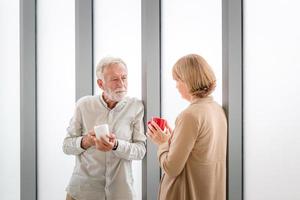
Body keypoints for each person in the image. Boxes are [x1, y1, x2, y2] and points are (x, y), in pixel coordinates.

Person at [63, 56, 146, 200]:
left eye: (124, 78)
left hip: (120, 194)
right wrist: (86, 141)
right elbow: (66, 146)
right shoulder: (84, 105)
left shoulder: (136, 107)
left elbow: (140, 151)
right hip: (82, 193)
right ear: (101, 84)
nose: (121, 84)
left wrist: (116, 145)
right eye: (114, 79)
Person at [147, 54, 227, 200]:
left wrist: (163, 143)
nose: (176, 85)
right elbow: (199, 152)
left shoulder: (189, 115)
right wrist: (172, 139)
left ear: (189, 80)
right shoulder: (216, 109)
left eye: (178, 80)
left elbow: (171, 168)